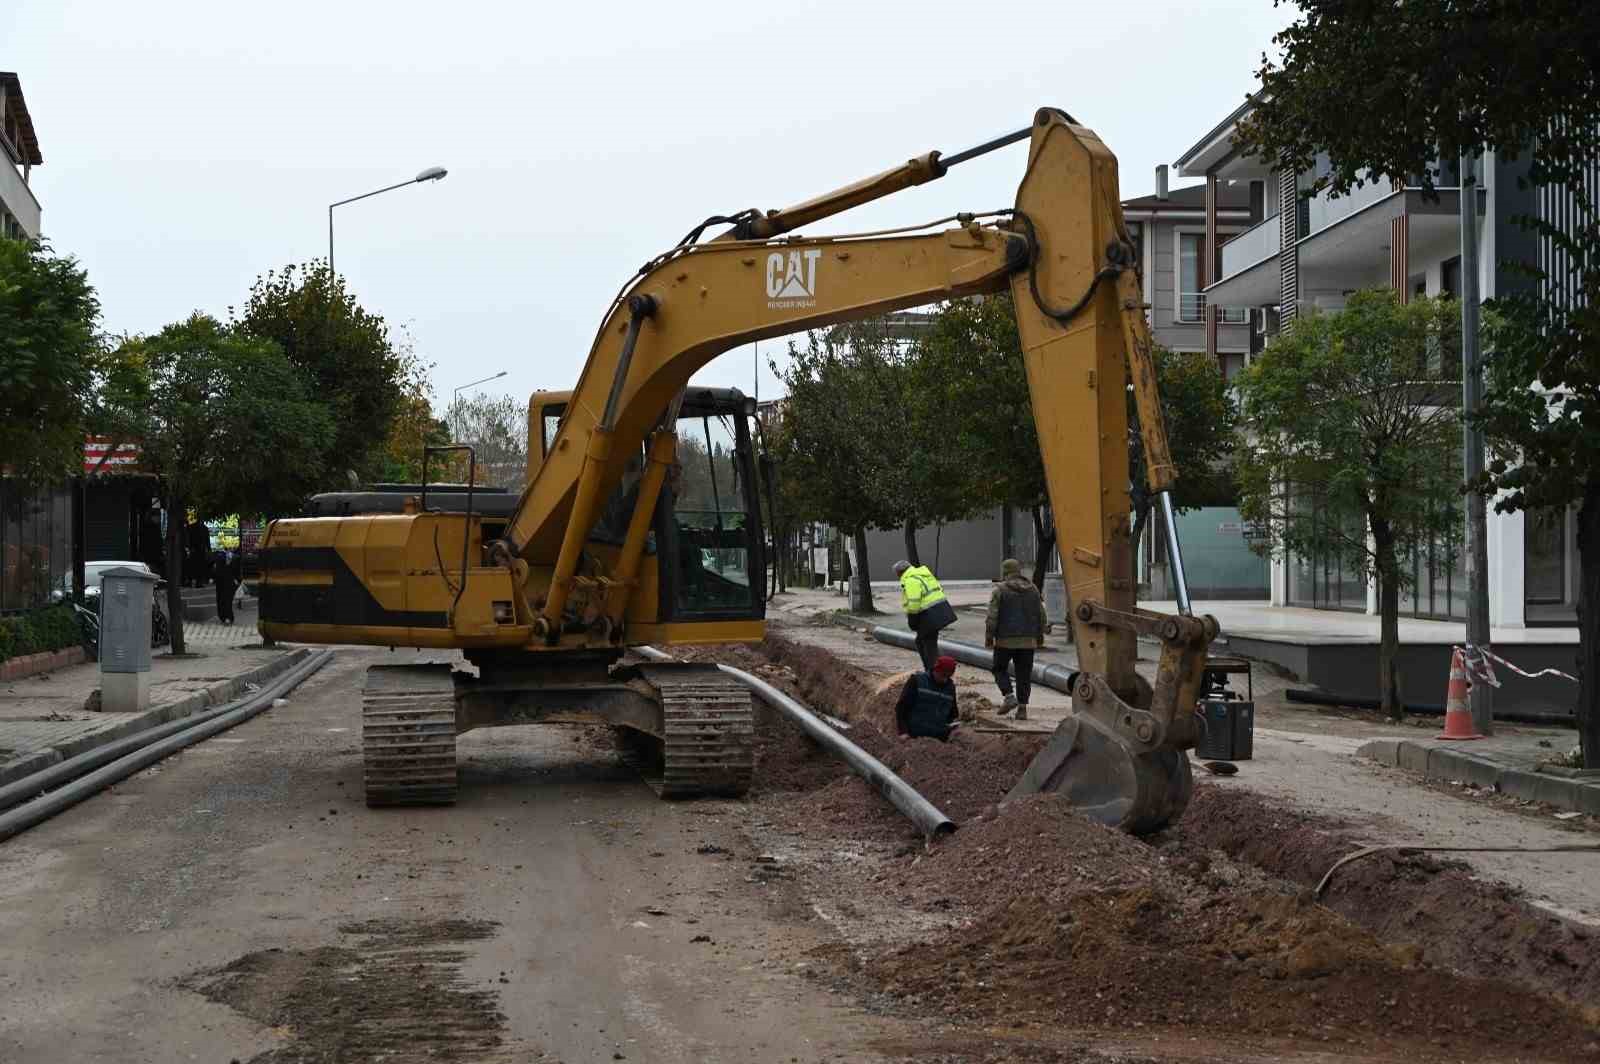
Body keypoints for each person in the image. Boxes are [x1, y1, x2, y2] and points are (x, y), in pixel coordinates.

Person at [985, 557, 1049, 721]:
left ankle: (1008, 696)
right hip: (1028, 641)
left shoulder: (1000, 590)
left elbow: (992, 617)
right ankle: (1022, 709)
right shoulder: (1033, 589)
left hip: (1005, 640)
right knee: (1024, 674)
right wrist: (1040, 637)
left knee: (999, 669)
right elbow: (1041, 616)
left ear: (1005, 572)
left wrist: (989, 637)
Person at [894, 559, 956, 673]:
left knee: (928, 645)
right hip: (938, 612)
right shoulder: (922, 574)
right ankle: (933, 669)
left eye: (897, 574)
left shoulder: (911, 579)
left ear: (900, 572)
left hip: (929, 615)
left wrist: (912, 620)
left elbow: (914, 603)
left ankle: (935, 672)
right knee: (923, 642)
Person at [895, 654, 961, 741]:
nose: (945, 679)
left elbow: (952, 714)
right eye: (943, 675)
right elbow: (901, 708)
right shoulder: (916, 681)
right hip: (914, 735)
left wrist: (954, 728)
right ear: (936, 670)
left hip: (938, 738)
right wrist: (903, 731)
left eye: (948, 676)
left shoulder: (950, 687)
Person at [212, 548, 238, 625]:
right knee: (226, 600)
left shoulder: (219, 556)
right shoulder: (222, 556)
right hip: (226, 581)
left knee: (224, 600)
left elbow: (216, 569)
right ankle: (227, 617)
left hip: (224, 581)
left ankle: (226, 617)